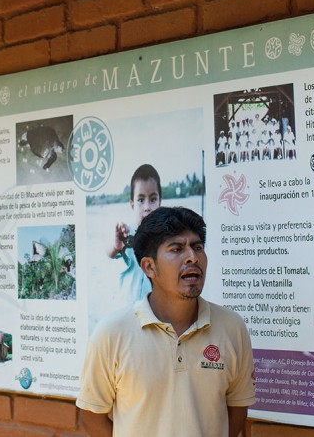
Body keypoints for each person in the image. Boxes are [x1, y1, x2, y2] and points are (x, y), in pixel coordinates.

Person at [78, 207, 256, 437]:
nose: (193, 257)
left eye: (198, 247)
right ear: (149, 267)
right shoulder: (111, 333)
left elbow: (238, 407)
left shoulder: (232, 327)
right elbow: (91, 416)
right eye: (177, 249)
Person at [106, 164, 161, 303]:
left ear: (160, 202)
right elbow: (109, 253)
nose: (147, 207)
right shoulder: (126, 232)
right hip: (129, 307)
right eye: (141, 200)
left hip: (154, 310)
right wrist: (116, 245)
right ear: (132, 204)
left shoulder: (165, 235)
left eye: (153, 199)